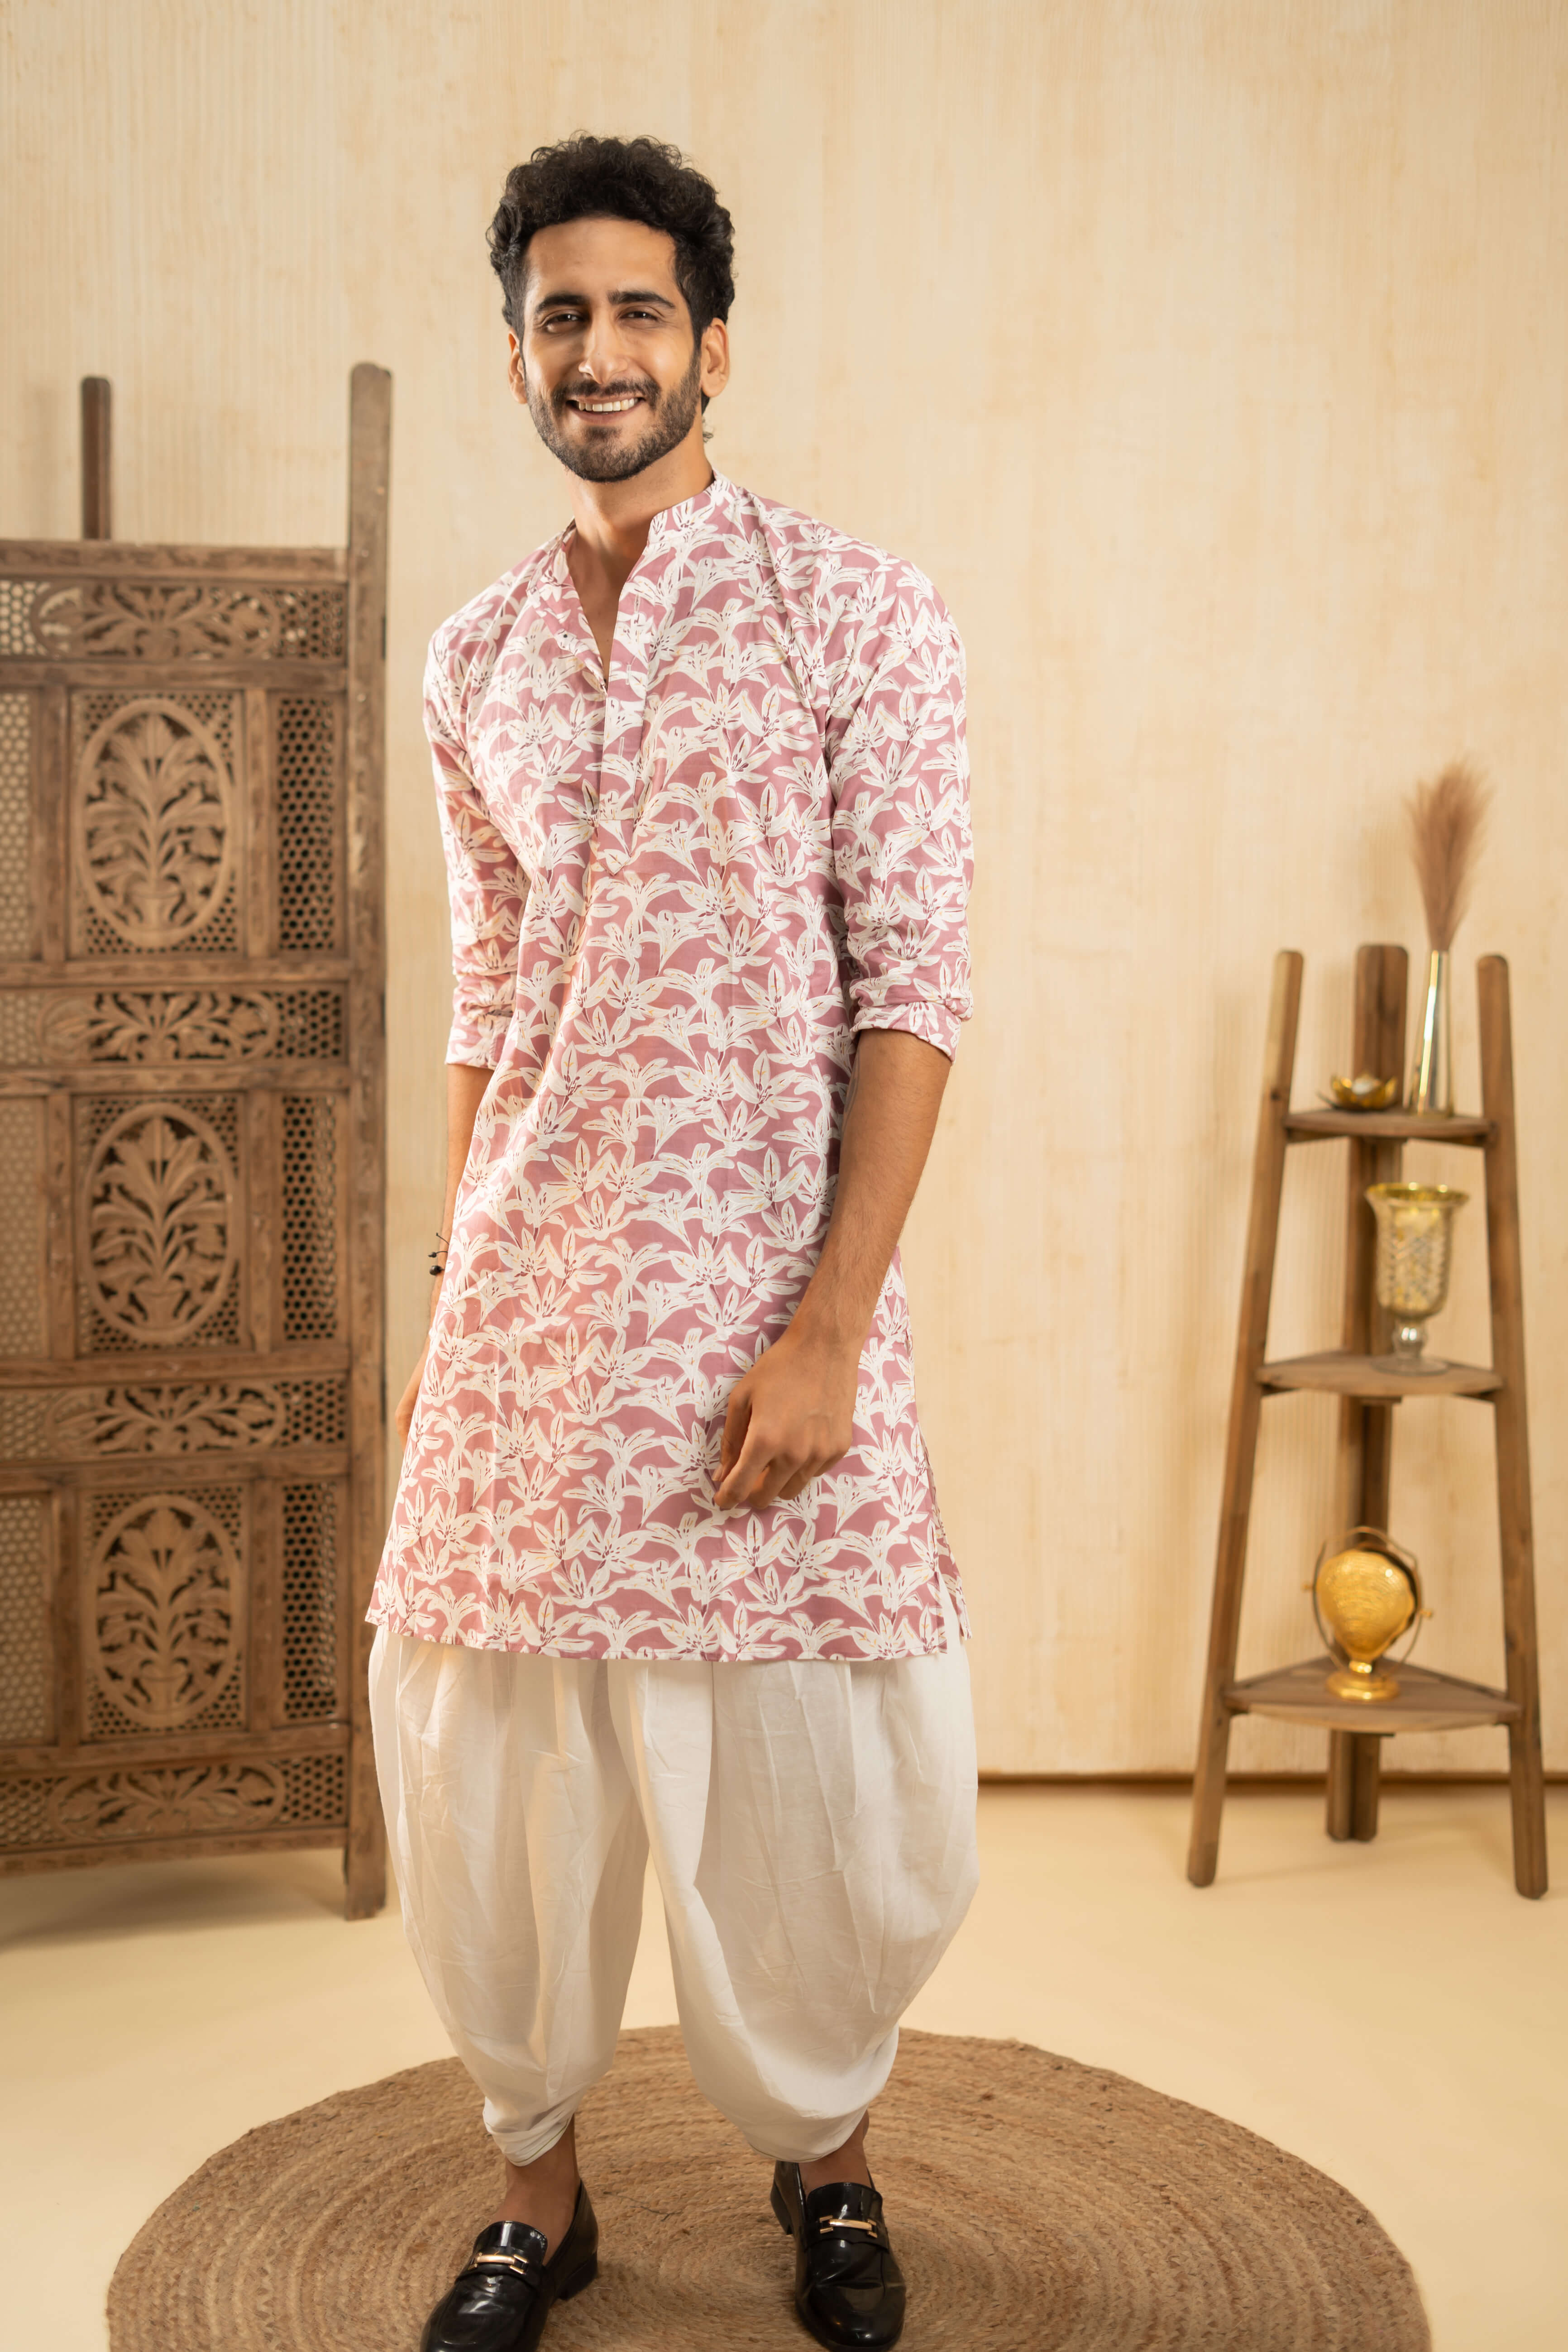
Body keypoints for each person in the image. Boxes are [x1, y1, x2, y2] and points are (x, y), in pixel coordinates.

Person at [369, 133, 977, 2352]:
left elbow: (911, 989)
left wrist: (829, 1329)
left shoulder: (855, 612)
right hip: (534, 1298)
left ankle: (827, 2164)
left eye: (636, 311)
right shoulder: (479, 656)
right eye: (557, 313)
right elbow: (487, 1003)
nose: (596, 349)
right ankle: (539, 2189)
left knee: (817, 1754)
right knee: (494, 1761)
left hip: (760, 1301)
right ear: (517, 349)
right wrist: (462, 1299)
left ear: (712, 344)